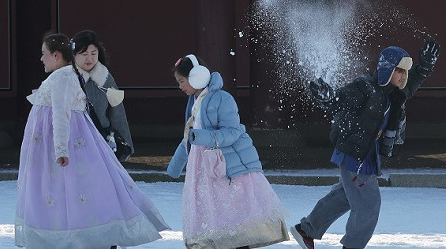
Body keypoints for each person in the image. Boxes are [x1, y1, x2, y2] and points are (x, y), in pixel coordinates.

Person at [15, 33, 169, 249]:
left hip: (76, 143)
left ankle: (92, 236)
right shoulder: (65, 75)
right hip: (70, 142)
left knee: (85, 189)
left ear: (56, 55)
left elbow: (62, 114)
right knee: (73, 191)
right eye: (84, 53)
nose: (41, 58)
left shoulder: (66, 77)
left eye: (44, 54)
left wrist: (61, 150)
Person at [290, 40, 441, 249]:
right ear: (387, 69)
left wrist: (424, 66)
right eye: (400, 70)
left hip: (366, 155)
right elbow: (342, 99)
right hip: (354, 156)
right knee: (368, 205)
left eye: (405, 71)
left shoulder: (394, 93)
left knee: (346, 196)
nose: (404, 75)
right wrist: (330, 98)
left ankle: (306, 230)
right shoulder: (365, 87)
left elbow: (413, 80)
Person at [166, 54, 289, 249]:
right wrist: (174, 167)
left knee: (233, 212)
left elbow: (231, 132)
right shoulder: (194, 101)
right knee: (214, 211)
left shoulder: (223, 98)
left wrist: (201, 137)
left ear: (196, 76)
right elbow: (188, 136)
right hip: (204, 166)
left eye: (182, 81)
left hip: (227, 165)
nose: (180, 86)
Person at [70, 30, 134, 162]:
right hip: (72, 142)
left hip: (102, 141)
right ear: (74, 55)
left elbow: (117, 113)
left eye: (94, 53)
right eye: (84, 54)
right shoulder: (65, 78)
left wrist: (126, 144)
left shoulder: (105, 77)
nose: (90, 58)